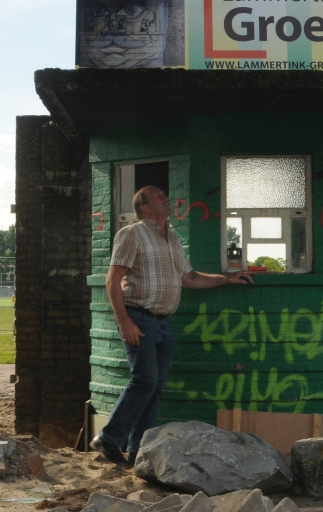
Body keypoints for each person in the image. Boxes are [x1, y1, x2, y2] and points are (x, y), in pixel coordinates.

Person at [90, 185, 253, 463]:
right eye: (159, 197)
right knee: (145, 380)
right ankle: (107, 439)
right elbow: (113, 279)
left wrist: (226, 278)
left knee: (155, 386)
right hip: (139, 318)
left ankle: (136, 449)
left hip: (163, 324)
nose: (166, 199)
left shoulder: (172, 238)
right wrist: (124, 321)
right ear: (144, 207)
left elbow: (188, 278)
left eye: (165, 196)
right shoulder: (132, 234)